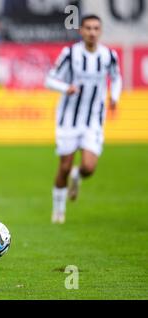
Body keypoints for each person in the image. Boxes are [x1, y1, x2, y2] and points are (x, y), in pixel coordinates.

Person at [45, 15, 122, 224]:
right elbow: (50, 79)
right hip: (69, 118)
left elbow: (116, 77)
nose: (92, 32)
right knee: (64, 166)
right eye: (88, 28)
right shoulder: (70, 54)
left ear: (101, 31)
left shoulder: (108, 55)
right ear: (81, 31)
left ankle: (78, 176)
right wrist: (65, 88)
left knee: (89, 167)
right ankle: (58, 211)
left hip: (94, 119)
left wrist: (114, 97)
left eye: (96, 28)